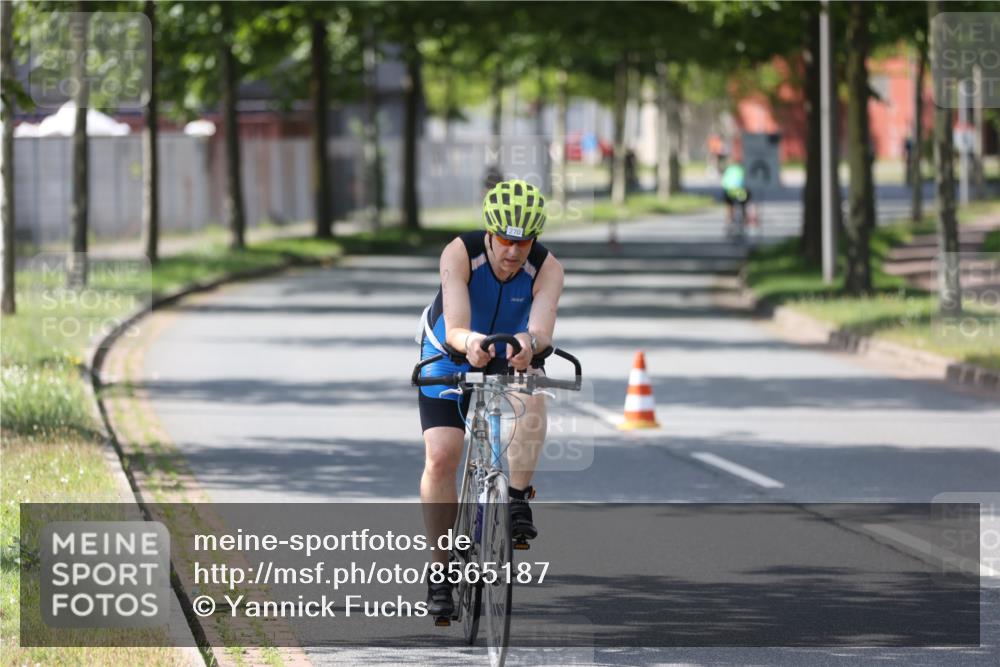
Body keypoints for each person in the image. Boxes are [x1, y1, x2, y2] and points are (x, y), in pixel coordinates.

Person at [415, 179, 565, 618]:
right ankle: (440, 570)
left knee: (533, 391)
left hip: (510, 350)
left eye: (524, 242)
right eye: (505, 240)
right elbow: (456, 326)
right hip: (450, 350)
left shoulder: (548, 268)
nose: (514, 252)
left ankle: (516, 498)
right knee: (442, 455)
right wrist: (471, 343)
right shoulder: (459, 253)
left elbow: (541, 332)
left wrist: (529, 344)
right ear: (489, 234)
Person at [721, 161, 758, 234]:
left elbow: (724, 182)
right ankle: (745, 220)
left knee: (729, 205)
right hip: (741, 192)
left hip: (730, 191)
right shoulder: (743, 169)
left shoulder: (729, 169)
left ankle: (729, 221)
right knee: (745, 204)